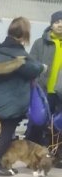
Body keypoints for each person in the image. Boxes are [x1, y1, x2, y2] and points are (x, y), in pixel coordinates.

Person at [0, 17, 46, 177]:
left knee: (7, 132)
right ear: (24, 35)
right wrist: (43, 67)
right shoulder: (18, 55)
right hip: (12, 101)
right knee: (7, 132)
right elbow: (34, 69)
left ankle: (2, 163)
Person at [28, 10, 62, 143]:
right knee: (37, 123)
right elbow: (31, 64)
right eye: (57, 22)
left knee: (58, 126)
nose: (60, 25)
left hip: (60, 92)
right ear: (51, 25)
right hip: (43, 90)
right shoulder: (39, 43)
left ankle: (56, 153)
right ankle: (33, 154)